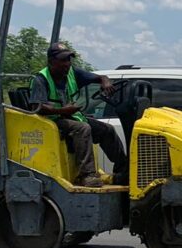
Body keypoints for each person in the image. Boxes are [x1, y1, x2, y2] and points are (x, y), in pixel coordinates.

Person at [28, 42, 128, 187]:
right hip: (50, 121)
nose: (67, 64)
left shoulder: (72, 73)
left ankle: (123, 170)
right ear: (51, 61)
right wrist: (62, 111)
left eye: (69, 60)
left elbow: (101, 77)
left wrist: (105, 82)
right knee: (82, 128)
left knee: (107, 130)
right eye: (63, 60)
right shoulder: (41, 79)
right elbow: (37, 107)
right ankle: (87, 175)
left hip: (70, 117)